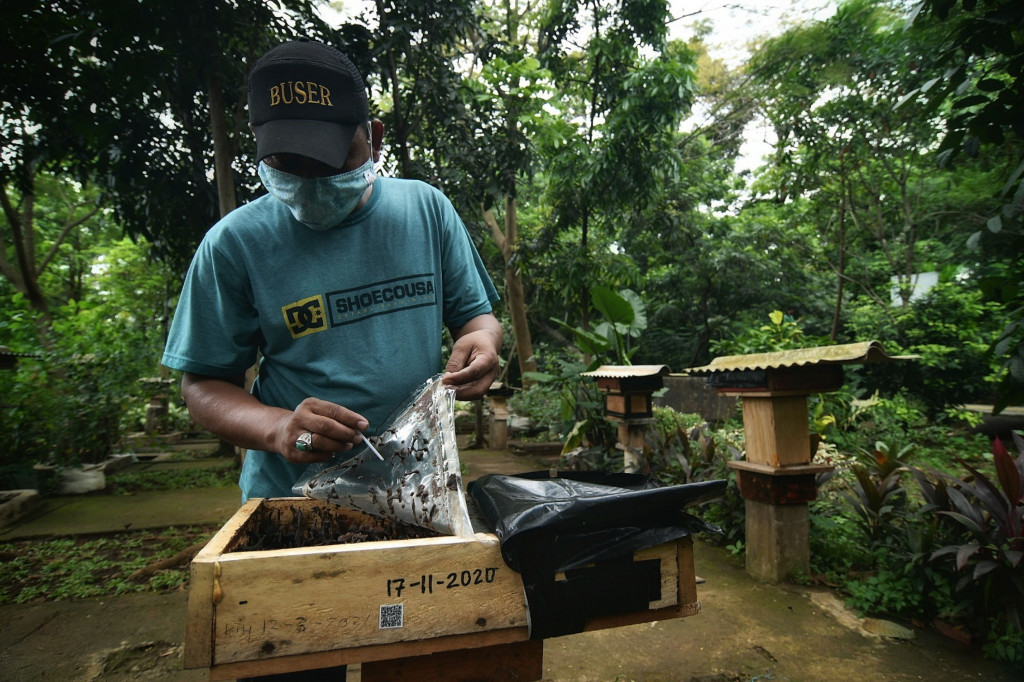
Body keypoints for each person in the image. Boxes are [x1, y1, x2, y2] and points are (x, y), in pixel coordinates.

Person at [161, 39, 502, 506]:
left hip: (416, 489)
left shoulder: (426, 211)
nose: (310, 182)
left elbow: (476, 319)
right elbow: (202, 384)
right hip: (292, 500)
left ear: (375, 139)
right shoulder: (234, 245)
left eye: (332, 160)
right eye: (288, 164)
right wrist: (279, 428)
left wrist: (485, 342)